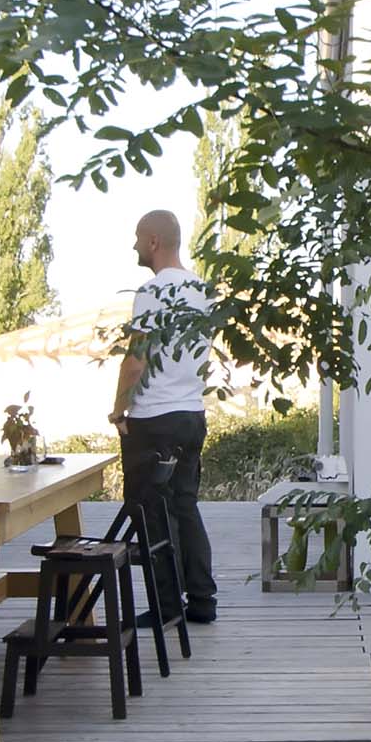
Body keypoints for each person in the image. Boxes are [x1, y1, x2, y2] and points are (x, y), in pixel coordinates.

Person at [108, 208, 222, 629]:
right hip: (191, 413)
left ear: (154, 241)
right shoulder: (203, 291)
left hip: (153, 418)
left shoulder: (152, 292)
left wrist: (119, 409)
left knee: (151, 513)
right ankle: (202, 599)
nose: (134, 245)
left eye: (138, 238)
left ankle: (166, 605)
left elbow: (137, 358)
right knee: (185, 505)